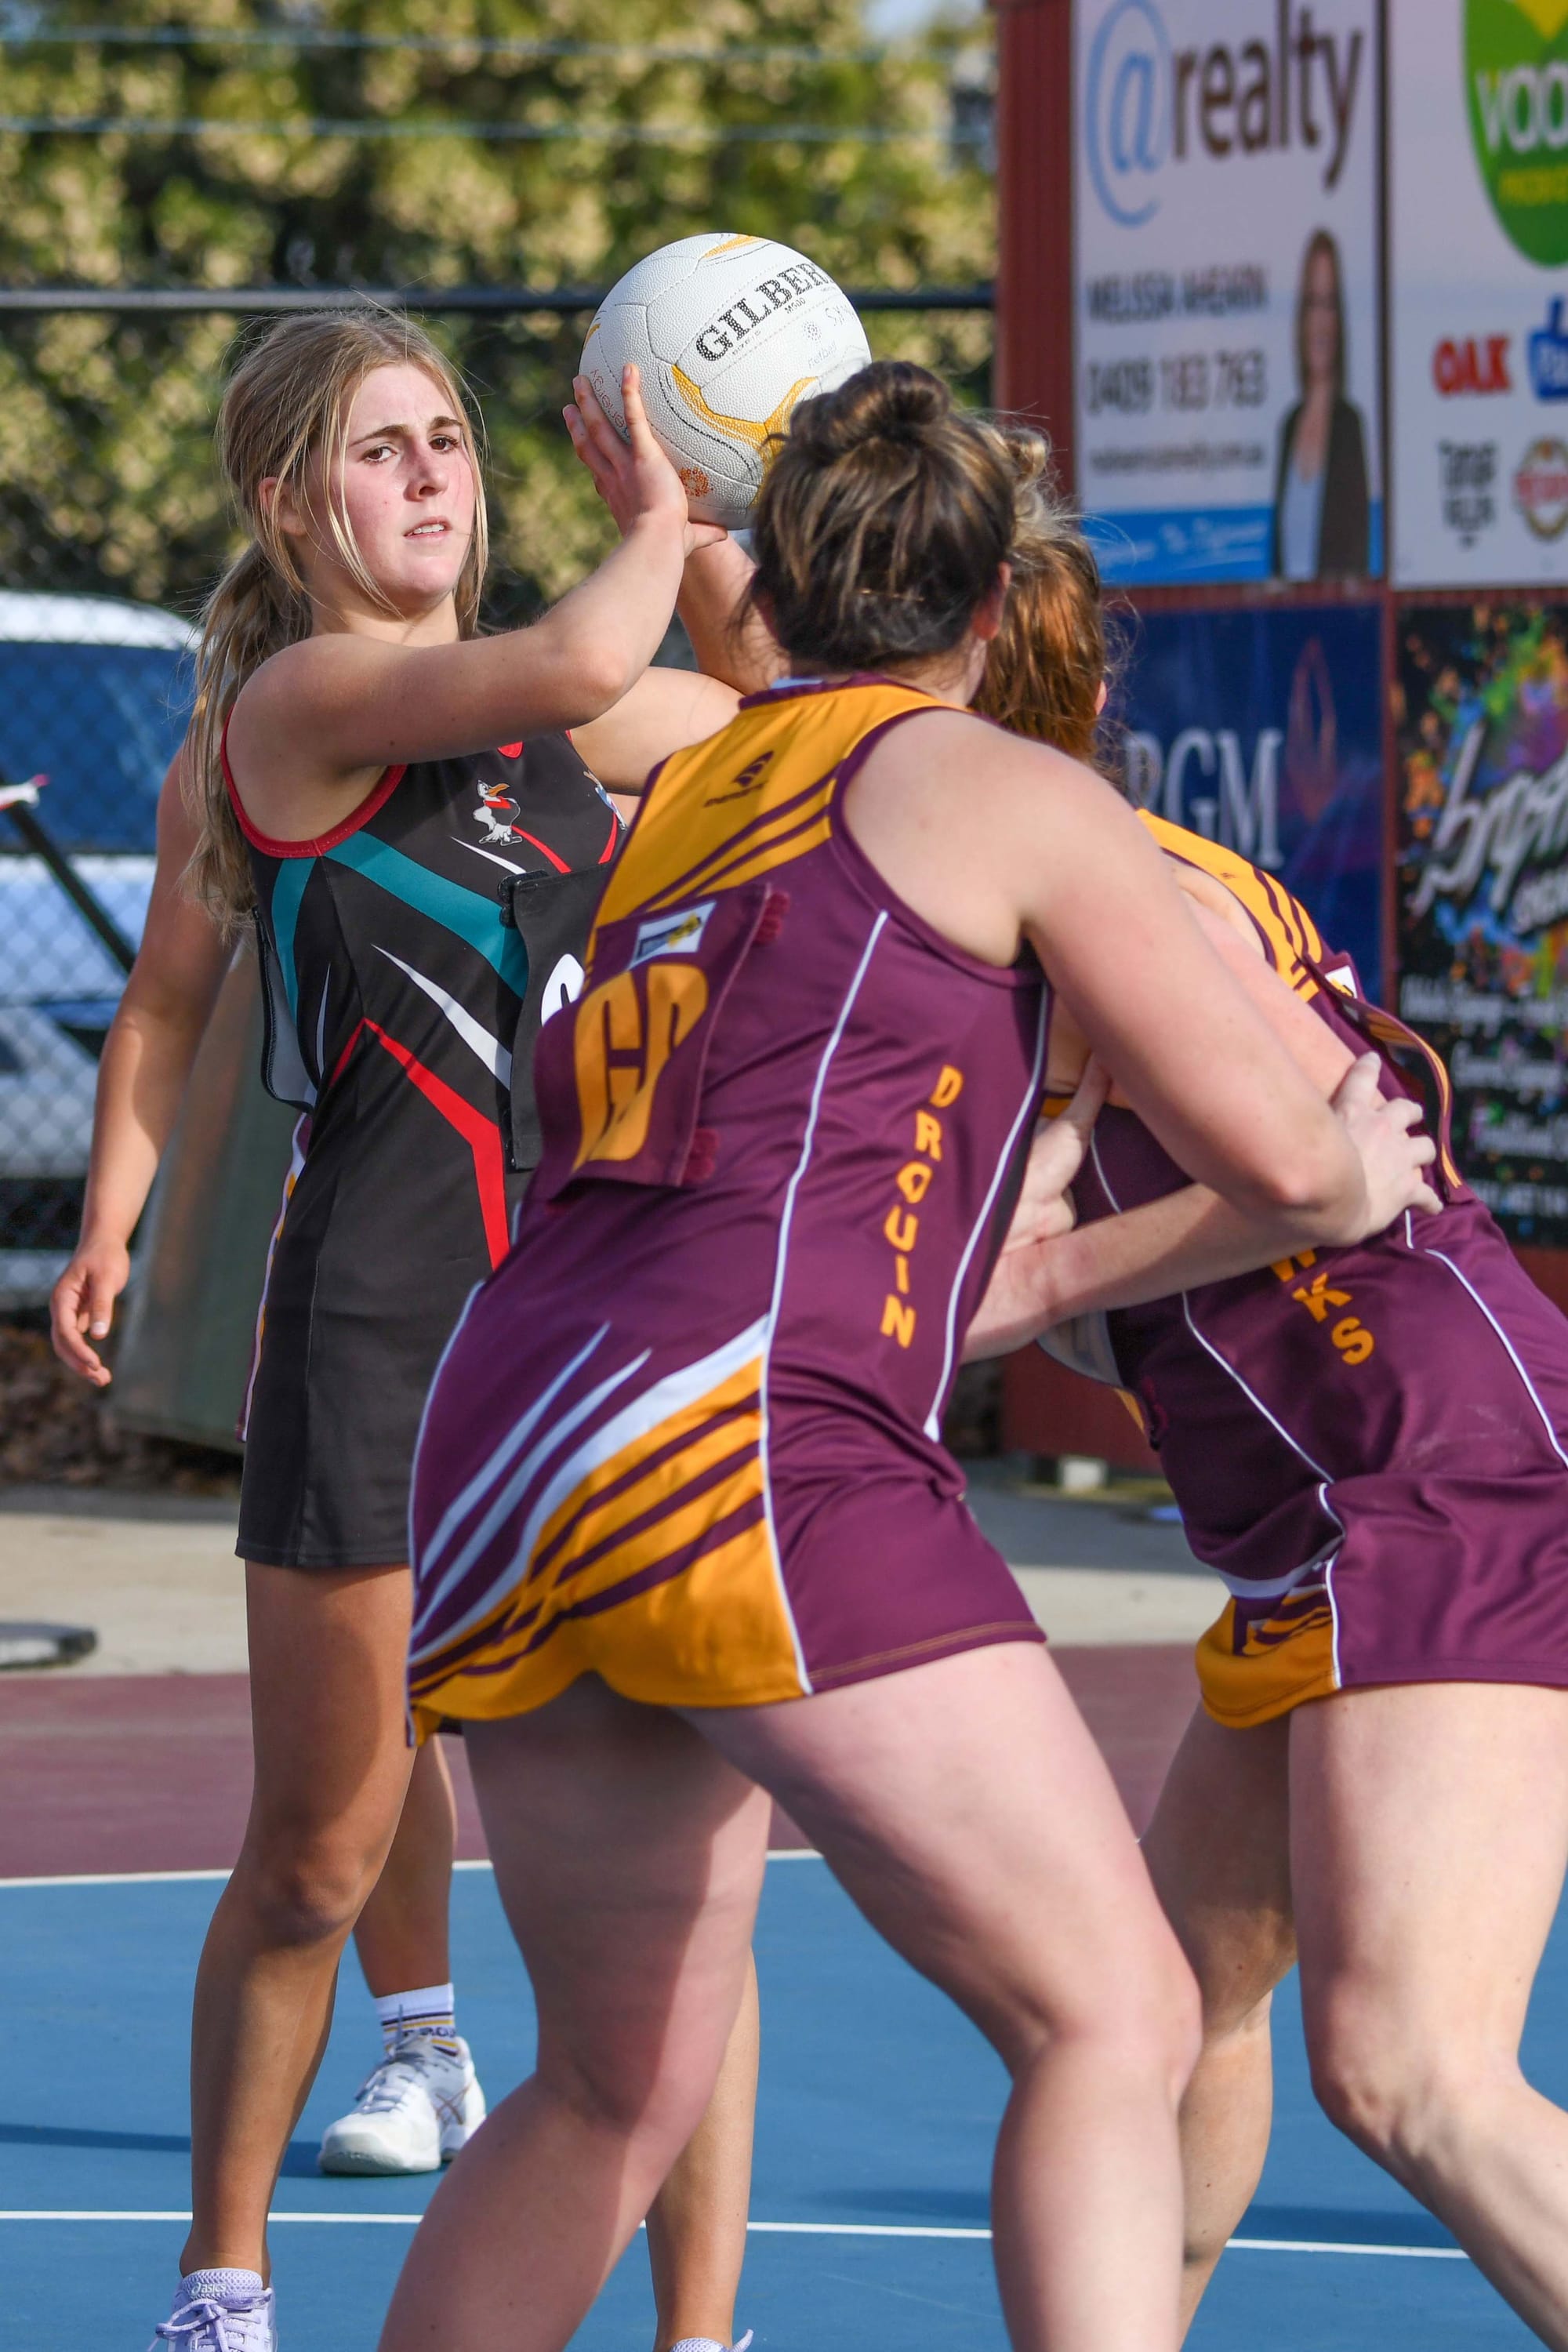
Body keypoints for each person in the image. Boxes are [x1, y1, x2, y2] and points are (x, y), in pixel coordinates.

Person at [378, 361, 1436, 2352]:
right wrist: (1333, 1168)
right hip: (738, 1431)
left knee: (607, 2084)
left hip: (505, 1432)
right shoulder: (999, 787)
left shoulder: (680, 787)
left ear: (771, 577)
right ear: (987, 606)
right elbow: (1289, 1155)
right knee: (1111, 2009)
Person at [50, 304, 758, 2352]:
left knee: (686, 1894)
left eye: (454, 436)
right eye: (385, 447)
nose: (436, 472)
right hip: (371, 1346)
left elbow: (783, 725)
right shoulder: (298, 702)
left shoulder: (577, 728)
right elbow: (175, 997)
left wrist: (736, 548)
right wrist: (121, 1204)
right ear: (289, 501)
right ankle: (224, 2281)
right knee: (318, 1850)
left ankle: (704, 2332)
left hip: (601, 1359)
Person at [975, 442, 1568, 2348]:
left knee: (1408, 2072)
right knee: (1160, 2001)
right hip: (1315, 1503)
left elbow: (1331, 1167)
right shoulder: (1082, 888)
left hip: (1423, 1471)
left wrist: (1032, 1271)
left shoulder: (1102, 902)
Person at [1269, 228, 1370, 581]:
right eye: (1313, 303)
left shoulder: (1350, 425)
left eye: (1330, 304)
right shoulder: (1289, 426)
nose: (1321, 321)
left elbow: (1359, 553)